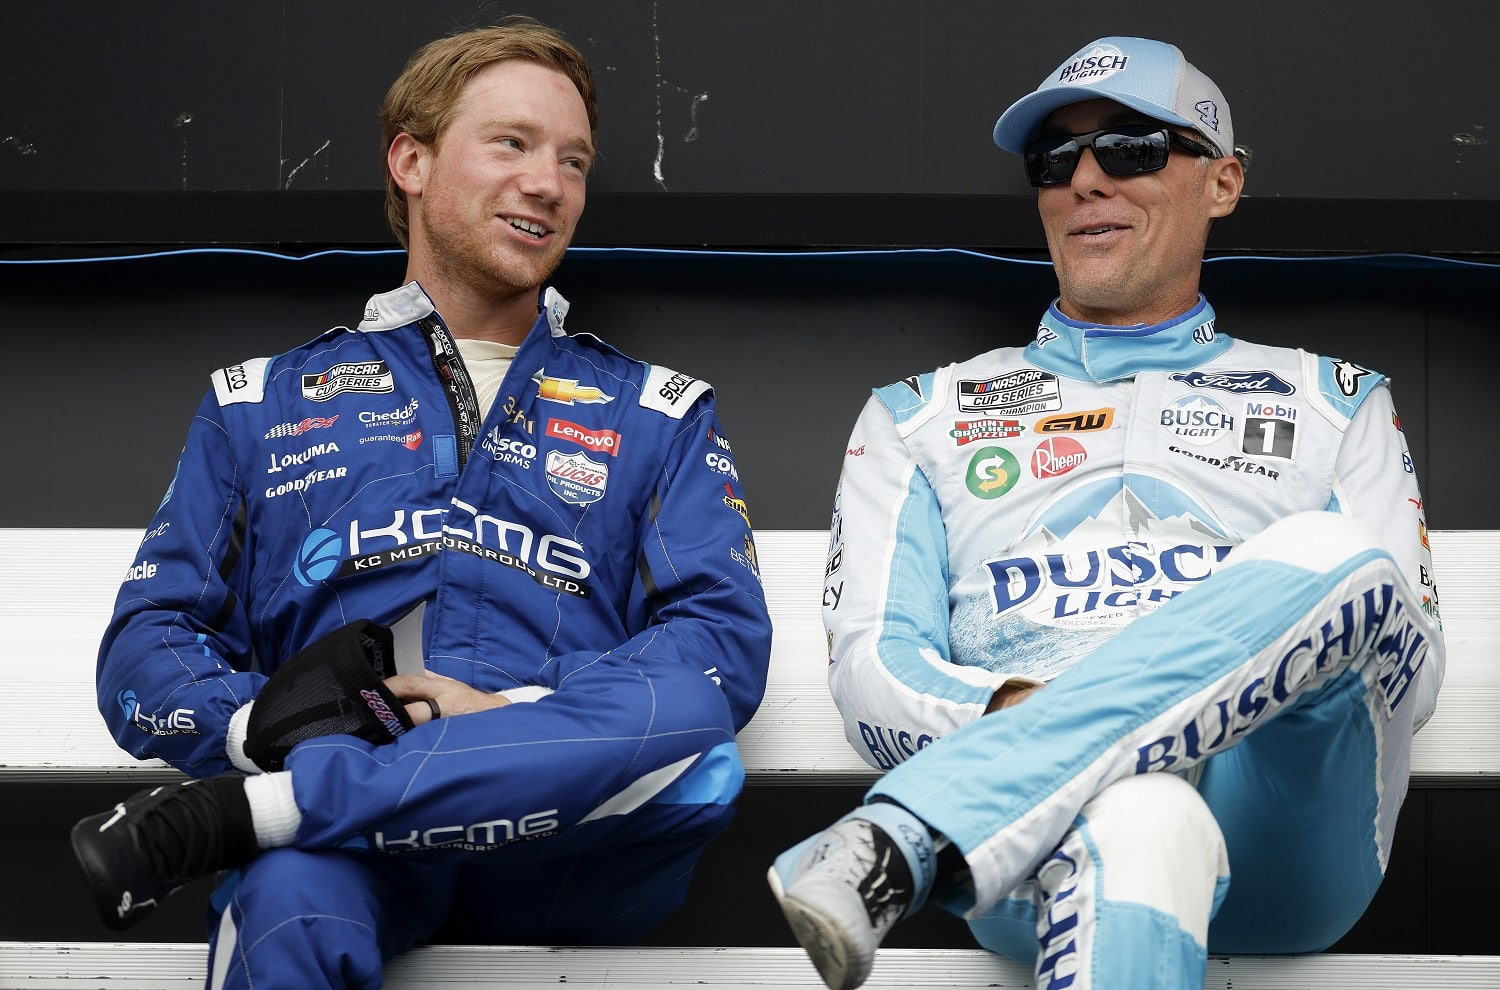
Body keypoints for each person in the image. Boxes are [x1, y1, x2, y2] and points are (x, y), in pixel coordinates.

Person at [70, 17, 772, 989]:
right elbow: (148, 638)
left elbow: (717, 644)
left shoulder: (657, 412)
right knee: (286, 902)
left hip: (563, 834)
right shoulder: (259, 402)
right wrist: (261, 728)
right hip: (347, 853)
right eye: (513, 144)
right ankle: (299, 806)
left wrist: (505, 715)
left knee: (696, 741)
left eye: (573, 161)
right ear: (412, 159)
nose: (549, 183)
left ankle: (266, 812)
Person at [768, 36, 1443, 990]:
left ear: (1222, 182)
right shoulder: (919, 414)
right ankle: (991, 801)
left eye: (1131, 149)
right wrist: (1022, 715)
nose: (1085, 178)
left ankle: (906, 833)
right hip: (1033, 856)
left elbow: (1405, 678)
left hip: (1285, 827)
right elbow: (870, 668)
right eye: (1056, 160)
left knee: (1335, 554)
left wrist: (1067, 743)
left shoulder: (1336, 400)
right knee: (1139, 813)